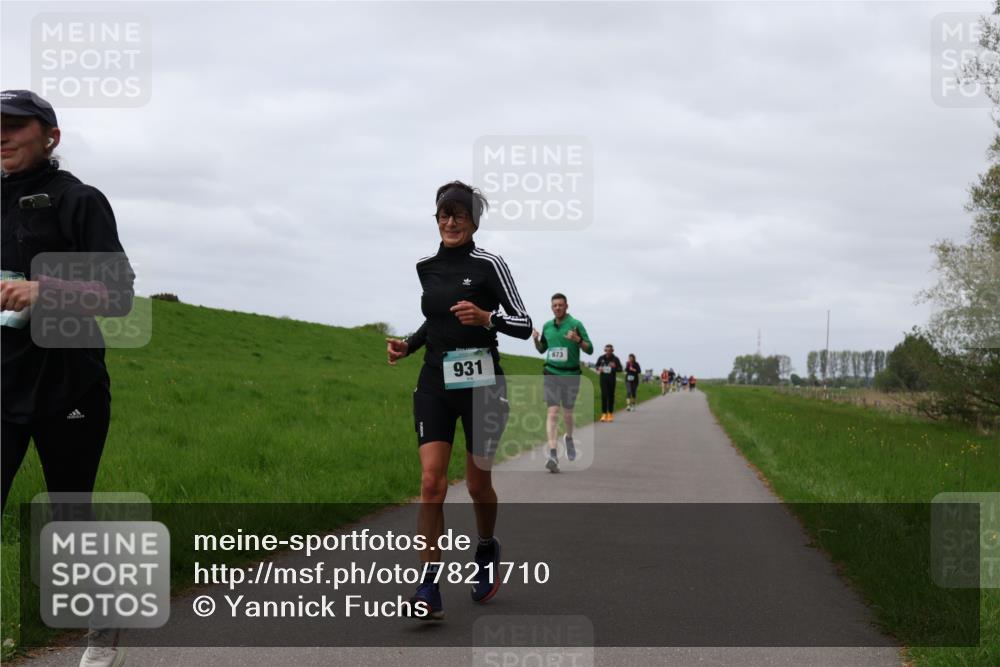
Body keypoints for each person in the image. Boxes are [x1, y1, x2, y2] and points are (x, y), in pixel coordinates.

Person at [1, 90, 135, 667]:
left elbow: (119, 295)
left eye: (14, 126)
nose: (2, 136)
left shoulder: (78, 200)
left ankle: (101, 629)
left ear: (50, 136)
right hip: (4, 383)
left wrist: (44, 290)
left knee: (70, 514)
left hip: (69, 384)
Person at [386, 181, 531, 619]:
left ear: (474, 222)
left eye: (460, 215)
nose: (451, 222)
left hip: (483, 386)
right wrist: (408, 346)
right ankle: (428, 586)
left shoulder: (490, 265)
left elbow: (524, 324)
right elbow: (435, 320)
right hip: (435, 382)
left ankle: (486, 548)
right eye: (444, 215)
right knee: (431, 483)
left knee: (476, 485)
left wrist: (487, 318)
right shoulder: (425, 266)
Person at [531, 293, 592, 473]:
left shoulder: (576, 324)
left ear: (566, 306)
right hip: (551, 373)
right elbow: (542, 349)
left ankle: (569, 438)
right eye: (554, 305)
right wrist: (535, 339)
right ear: (552, 307)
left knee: (567, 414)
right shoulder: (547, 326)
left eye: (560, 305)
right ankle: (552, 454)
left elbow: (590, 349)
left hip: (571, 374)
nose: (557, 308)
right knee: (552, 413)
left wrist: (578, 340)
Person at [594, 344, 621, 422]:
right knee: (604, 395)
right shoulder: (601, 358)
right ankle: (604, 414)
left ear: (612, 351)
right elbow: (596, 366)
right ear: (605, 350)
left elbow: (620, 369)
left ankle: (610, 414)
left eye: (610, 350)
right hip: (603, 379)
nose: (608, 352)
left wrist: (615, 366)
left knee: (611, 396)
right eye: (607, 350)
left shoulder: (615, 359)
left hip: (612, 380)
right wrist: (599, 368)